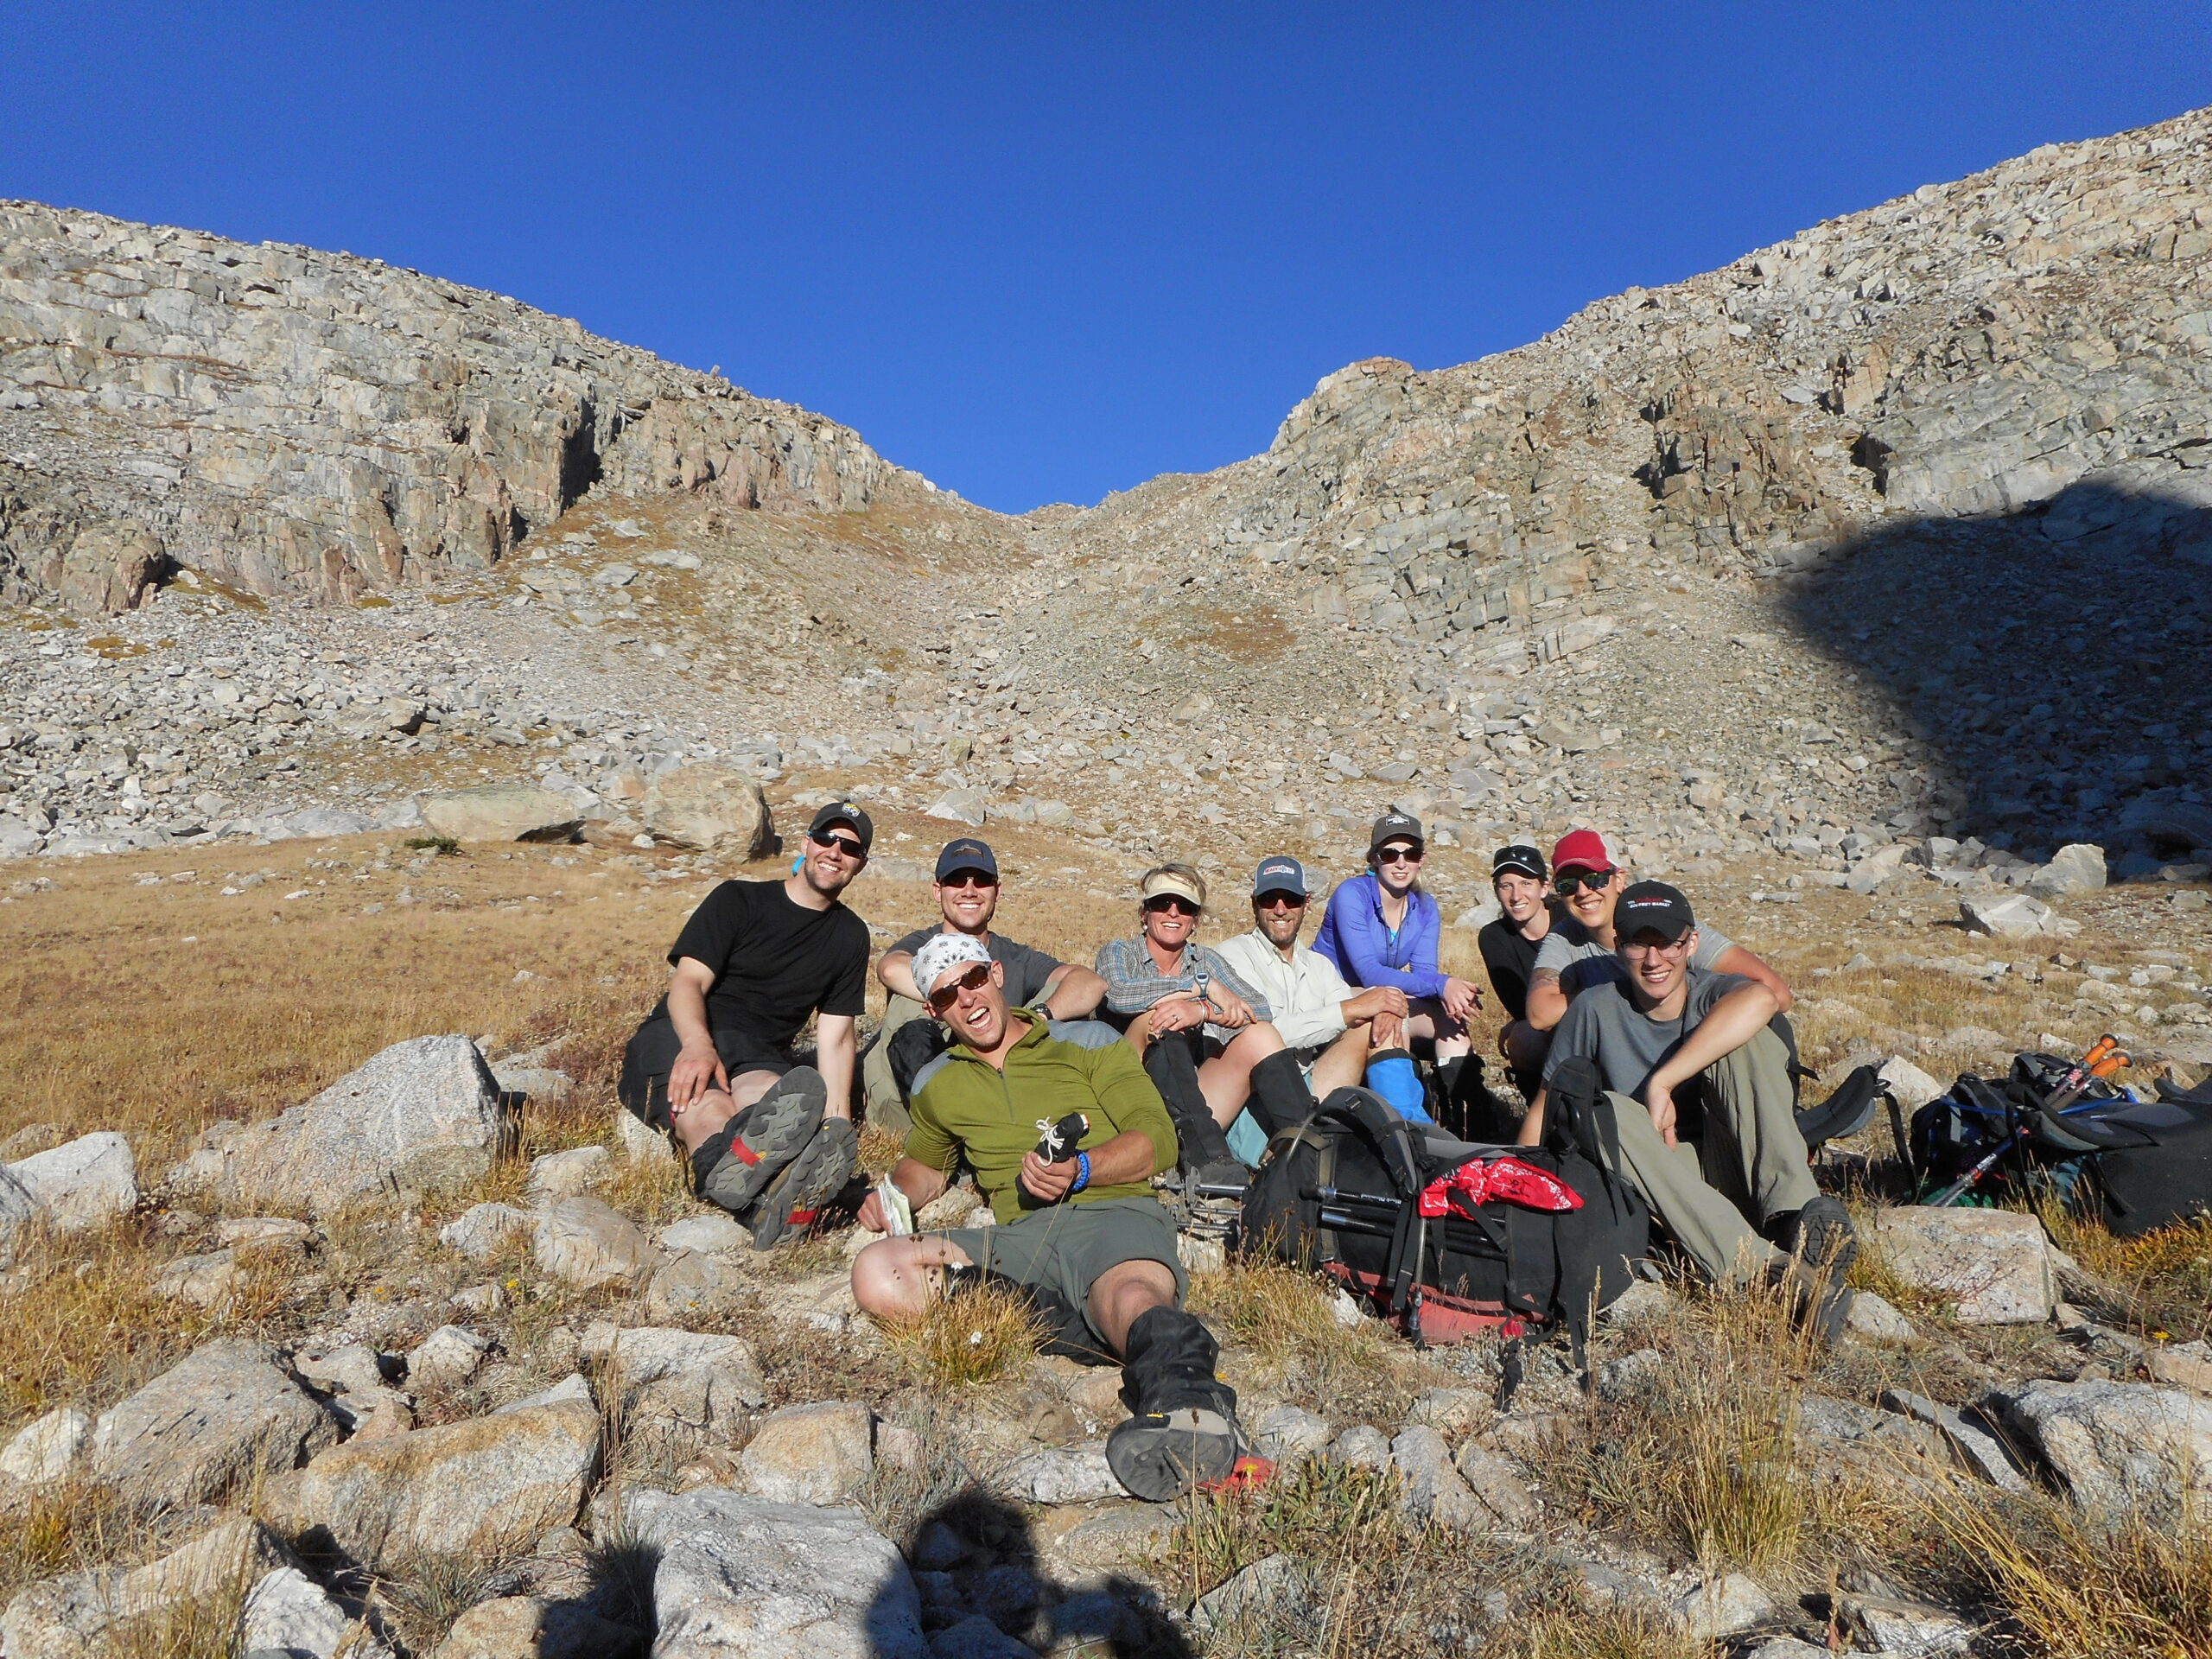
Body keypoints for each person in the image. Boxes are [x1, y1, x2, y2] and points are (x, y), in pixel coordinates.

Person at [851, 933, 1258, 1500]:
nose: (966, 1000)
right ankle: (1072, 1321)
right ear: (932, 1010)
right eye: (947, 995)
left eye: (972, 980)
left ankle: (1194, 1414)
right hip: (1020, 1238)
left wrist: (1083, 1169)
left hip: (1112, 1216)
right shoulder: (936, 1080)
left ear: (995, 974)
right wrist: (892, 1192)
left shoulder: (1087, 1040)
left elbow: (1159, 1139)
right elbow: (927, 1167)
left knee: (1133, 1299)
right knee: (878, 1272)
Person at [1517, 881, 1855, 1337]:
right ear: (1620, 946)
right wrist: (1514, 1184)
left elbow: (1765, 997)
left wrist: (1664, 1080)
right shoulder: (1594, 1008)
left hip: (1739, 1162)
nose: (1654, 960)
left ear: (1690, 943)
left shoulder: (1714, 992)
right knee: (1602, 1111)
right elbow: (1545, 1106)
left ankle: (1793, 1218)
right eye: (1639, 944)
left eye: (1667, 944)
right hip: (1667, 1175)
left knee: (1749, 1043)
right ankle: (1771, 1275)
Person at [616, 799, 874, 1249]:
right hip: (680, 1034)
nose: (835, 851)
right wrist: (697, 1045)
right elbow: (689, 982)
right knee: (712, 1109)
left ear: (860, 864)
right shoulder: (738, 898)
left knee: (769, 1106)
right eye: (826, 839)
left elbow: (836, 1036)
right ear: (805, 843)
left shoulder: (850, 935)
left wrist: (838, 1124)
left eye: (849, 847)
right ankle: (756, 1197)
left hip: (758, 1053)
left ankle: (764, 1197)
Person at [863, 836, 1107, 1137]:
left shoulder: (1014, 956)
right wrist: (960, 997)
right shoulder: (921, 947)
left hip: (1004, 1085)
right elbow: (890, 968)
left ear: (997, 891)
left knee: (1066, 1000)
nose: (969, 890)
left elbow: (1090, 983)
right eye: (956, 880)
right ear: (937, 891)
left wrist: (1036, 1018)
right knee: (911, 1001)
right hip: (924, 1096)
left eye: (981, 880)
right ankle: (940, 1131)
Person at [1093, 865, 1294, 1188]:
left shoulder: (1207, 960)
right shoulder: (1119, 951)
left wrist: (1200, 1011)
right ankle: (1207, 1159)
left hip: (1192, 1104)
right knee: (1159, 1018)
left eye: (1184, 907)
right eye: (1162, 903)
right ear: (1144, 913)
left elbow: (1259, 1009)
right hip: (1126, 1095)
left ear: (1196, 919)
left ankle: (1305, 1151)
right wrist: (1197, 987)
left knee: (1261, 1034)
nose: (1173, 913)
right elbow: (1118, 994)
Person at [1524, 829, 1792, 1036]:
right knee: (1527, 1041)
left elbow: (1776, 994)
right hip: (1621, 1043)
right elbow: (1539, 1014)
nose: (1583, 892)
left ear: (1620, 879)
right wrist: (1631, 999)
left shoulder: (1665, 918)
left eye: (1596, 879)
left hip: (1690, 1036)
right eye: (1568, 884)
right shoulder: (1565, 937)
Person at [1311, 811, 1485, 1122]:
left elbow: (1423, 973)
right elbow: (1368, 972)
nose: (1401, 863)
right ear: (1375, 858)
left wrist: (1452, 996)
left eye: (1411, 853)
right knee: (1392, 1011)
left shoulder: (1425, 906)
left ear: (1422, 859)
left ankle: (1465, 1120)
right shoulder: (1351, 895)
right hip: (1330, 993)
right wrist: (1441, 984)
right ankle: (1404, 1125)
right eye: (1390, 854)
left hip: (1379, 991)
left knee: (1450, 1019)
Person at [1212, 854, 1408, 1114]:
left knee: (1382, 1018)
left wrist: (1385, 1002)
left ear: (1306, 905)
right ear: (1254, 905)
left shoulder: (1319, 966)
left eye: (1291, 900)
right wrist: (1352, 1009)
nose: (1280, 910)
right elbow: (1265, 1038)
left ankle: (1408, 1127)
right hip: (1258, 1099)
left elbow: (1354, 1012)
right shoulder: (1231, 956)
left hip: (1311, 1084)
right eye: (1269, 900)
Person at [1478, 842, 1560, 1104]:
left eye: (1526, 883)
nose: (1516, 895)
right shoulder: (1494, 937)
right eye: (1506, 885)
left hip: (1586, 1013)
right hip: (1544, 1023)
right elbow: (1519, 1007)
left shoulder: (1568, 919)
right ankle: (1545, 1116)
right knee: (1524, 1038)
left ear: (1544, 888)